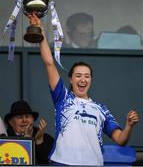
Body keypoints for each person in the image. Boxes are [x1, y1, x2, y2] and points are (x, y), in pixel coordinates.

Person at [28, 13, 139, 166]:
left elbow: (121, 140)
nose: (82, 79)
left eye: (87, 76)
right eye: (78, 75)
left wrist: (129, 125)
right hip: (63, 163)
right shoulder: (63, 97)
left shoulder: (101, 109)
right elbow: (49, 63)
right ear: (71, 80)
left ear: (91, 80)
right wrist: (40, 32)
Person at [4, 100, 54, 165]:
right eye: (19, 117)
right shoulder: (5, 138)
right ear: (11, 122)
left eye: (27, 116)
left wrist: (39, 142)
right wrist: (25, 141)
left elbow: (48, 163)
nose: (24, 120)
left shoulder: (47, 139)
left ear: (33, 120)